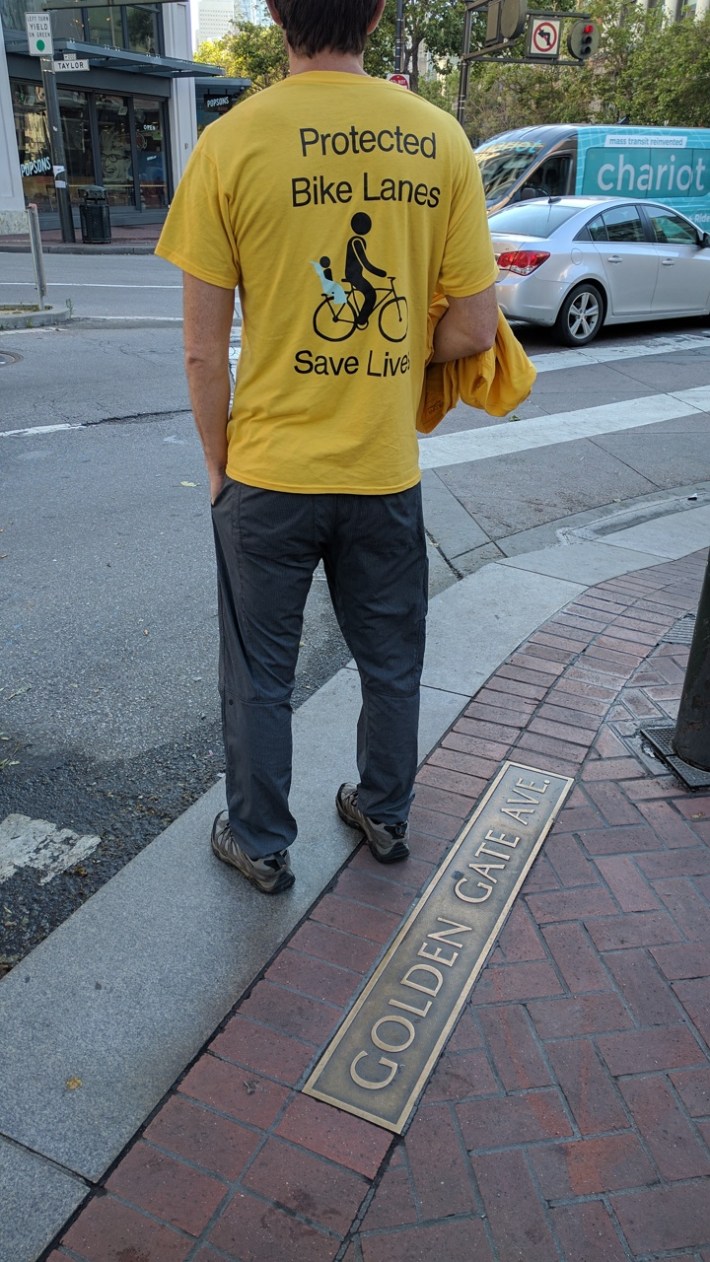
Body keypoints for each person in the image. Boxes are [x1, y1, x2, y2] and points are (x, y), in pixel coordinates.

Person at [155, 0, 498, 895]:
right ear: (377, 12)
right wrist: (389, 361)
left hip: (269, 471)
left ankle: (262, 842)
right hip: (383, 471)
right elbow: (473, 328)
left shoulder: (232, 142)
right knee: (392, 661)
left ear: (273, 12)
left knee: (259, 675)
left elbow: (200, 347)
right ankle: (384, 813)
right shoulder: (440, 138)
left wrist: (219, 468)